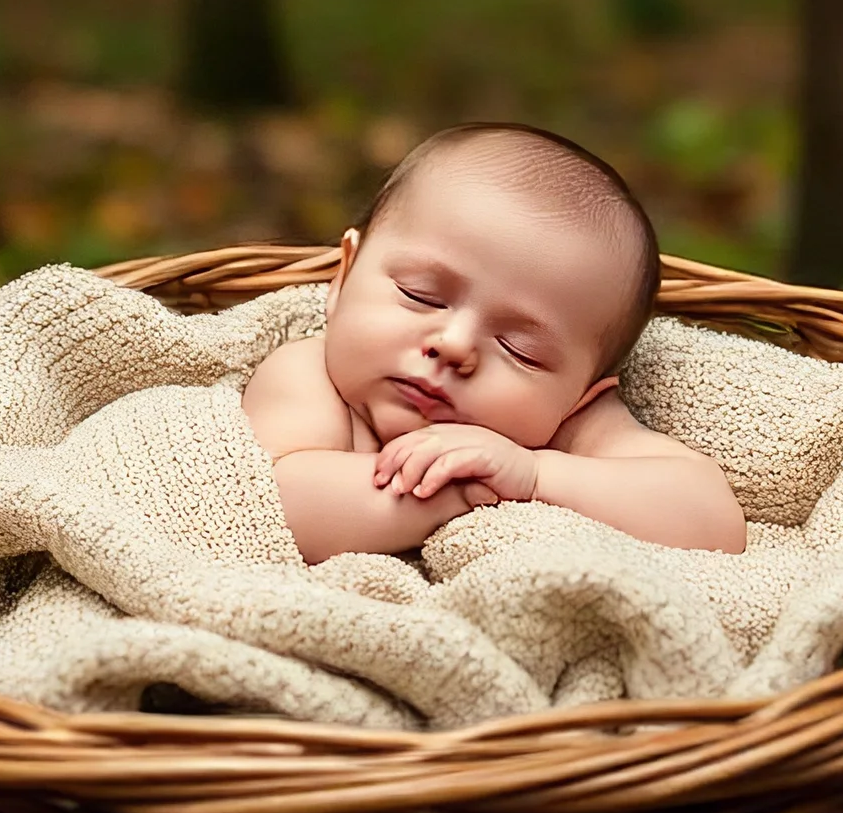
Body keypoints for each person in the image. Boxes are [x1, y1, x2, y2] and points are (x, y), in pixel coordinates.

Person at [243, 123, 747, 565]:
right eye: (419, 295)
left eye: (519, 349)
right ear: (343, 276)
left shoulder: (567, 430)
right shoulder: (310, 377)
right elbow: (277, 507)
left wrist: (532, 476)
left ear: (581, 394)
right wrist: (464, 489)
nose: (454, 344)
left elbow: (712, 522)